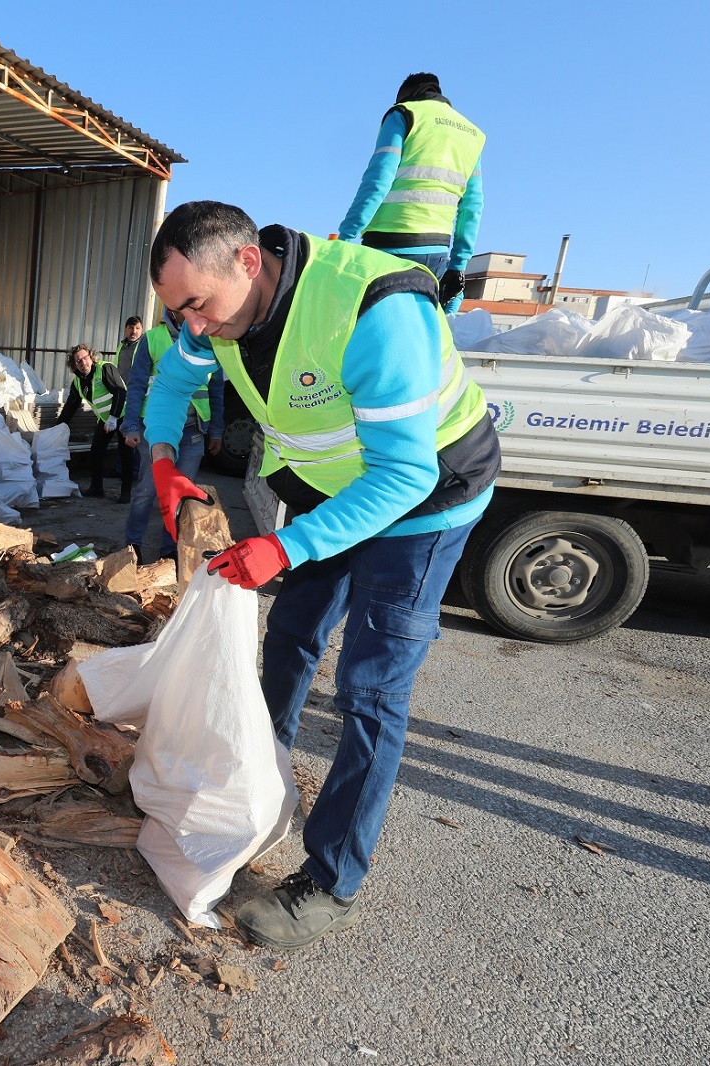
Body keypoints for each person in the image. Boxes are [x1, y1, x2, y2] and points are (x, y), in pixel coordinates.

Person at [143, 201, 500, 950]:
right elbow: (173, 386)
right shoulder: (214, 315)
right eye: (181, 312)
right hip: (330, 493)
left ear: (247, 262)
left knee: (370, 687)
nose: (194, 328)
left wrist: (285, 548)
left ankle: (332, 879)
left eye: (199, 307)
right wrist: (166, 463)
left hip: (424, 502)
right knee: (292, 637)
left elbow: (403, 472)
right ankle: (255, 789)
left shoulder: (374, 307)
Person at [336, 73, 484, 314]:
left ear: (406, 96)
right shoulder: (472, 135)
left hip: (388, 247)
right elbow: (472, 207)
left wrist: (345, 237)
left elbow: (378, 180)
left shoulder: (404, 114)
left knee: (374, 329)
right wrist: (458, 266)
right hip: (437, 254)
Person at [121, 309, 226, 562]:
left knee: (181, 496)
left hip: (193, 430)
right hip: (156, 432)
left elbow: (216, 388)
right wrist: (131, 426)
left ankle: (170, 550)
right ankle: (132, 544)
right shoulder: (153, 338)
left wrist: (216, 430)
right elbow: (136, 385)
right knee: (147, 490)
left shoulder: (214, 335)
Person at [57, 342, 129, 499]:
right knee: (96, 452)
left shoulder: (105, 368)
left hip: (123, 416)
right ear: (74, 365)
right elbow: (71, 406)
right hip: (105, 420)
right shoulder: (78, 382)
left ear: (91, 356)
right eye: (78, 361)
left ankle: (126, 493)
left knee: (126, 454)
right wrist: (57, 428)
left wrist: (114, 417)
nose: (83, 363)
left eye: (85, 358)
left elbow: (120, 392)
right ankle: (97, 489)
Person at [114, 316, 148, 489]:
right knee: (123, 432)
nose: (133, 331)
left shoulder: (143, 346)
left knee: (136, 435)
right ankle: (121, 469)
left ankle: (134, 472)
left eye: (137, 328)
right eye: (130, 328)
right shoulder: (122, 345)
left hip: (136, 397)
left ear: (142, 330)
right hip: (123, 395)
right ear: (125, 329)